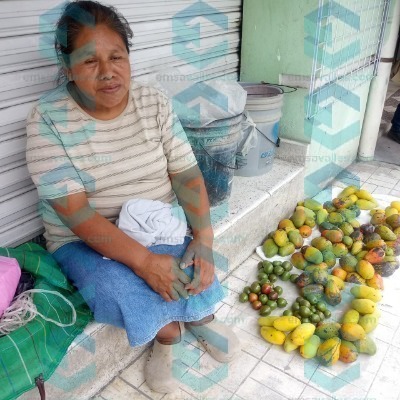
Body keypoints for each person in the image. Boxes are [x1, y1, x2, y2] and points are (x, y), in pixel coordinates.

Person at [25, 0, 239, 393]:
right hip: (85, 239)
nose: (107, 72)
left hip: (155, 222)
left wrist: (204, 238)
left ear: (128, 57)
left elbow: (186, 174)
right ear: (67, 66)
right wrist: (143, 262)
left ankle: (199, 315)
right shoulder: (48, 119)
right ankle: (167, 333)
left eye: (116, 57)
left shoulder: (153, 102)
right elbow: (75, 213)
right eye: (89, 61)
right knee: (112, 284)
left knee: (190, 258)